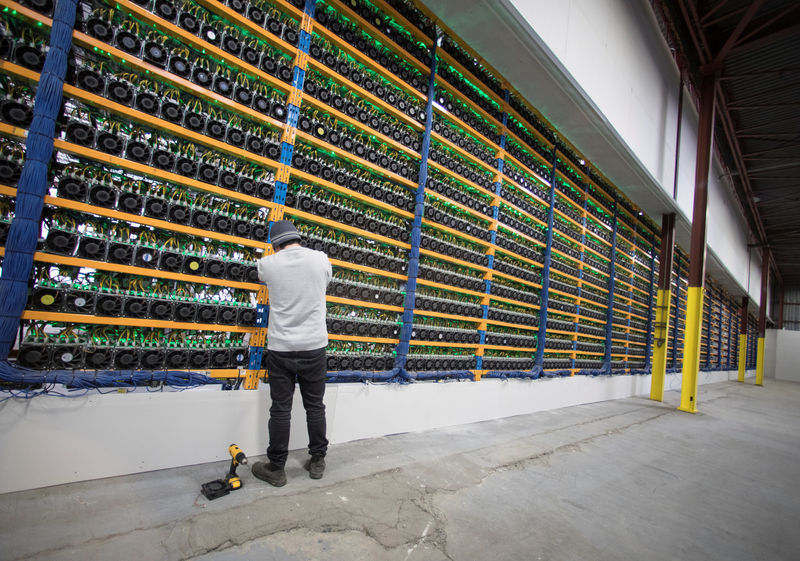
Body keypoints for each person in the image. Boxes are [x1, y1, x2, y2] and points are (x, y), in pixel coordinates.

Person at [250, 220, 332, 487]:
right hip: (314, 347)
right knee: (315, 407)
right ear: (297, 237)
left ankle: (276, 468)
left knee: (281, 409)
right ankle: (317, 461)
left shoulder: (268, 264)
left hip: (282, 349)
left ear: (275, 244)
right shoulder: (320, 259)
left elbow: (261, 274)